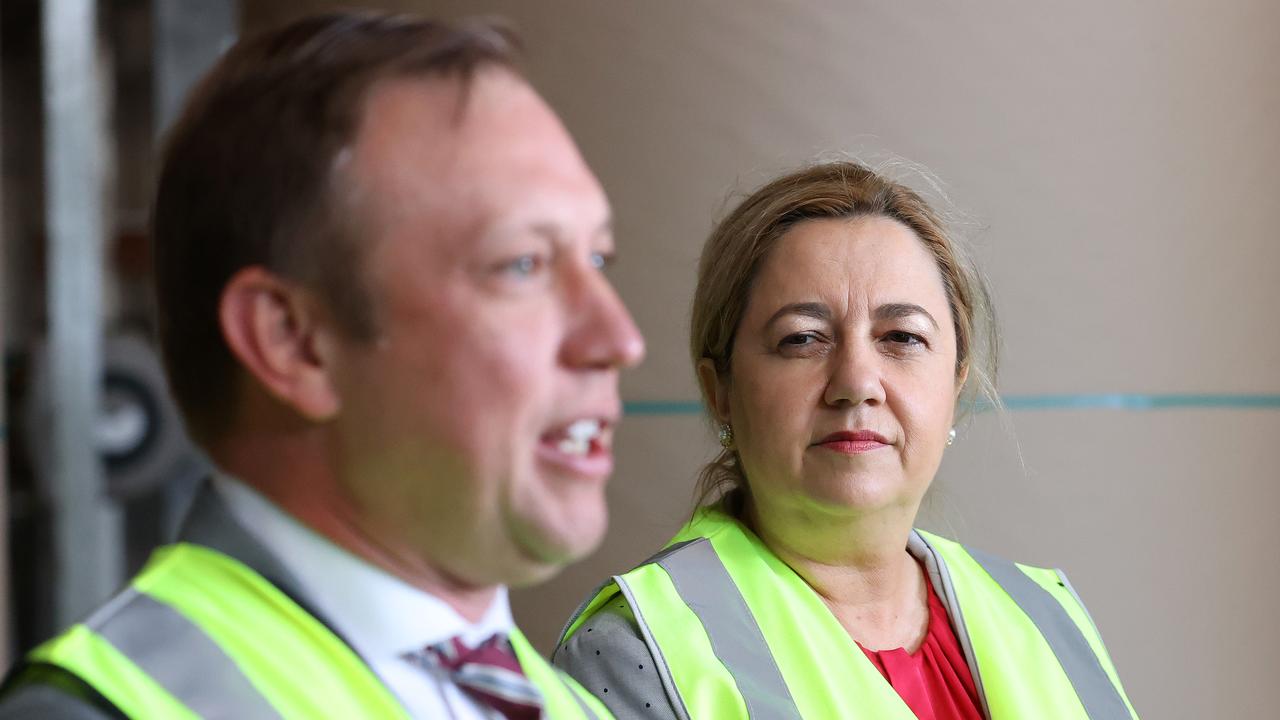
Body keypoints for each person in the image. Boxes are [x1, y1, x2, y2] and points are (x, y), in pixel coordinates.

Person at [0, 11, 644, 719]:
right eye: (522, 265)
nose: (618, 339)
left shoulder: (572, 705)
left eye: (597, 259)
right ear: (293, 341)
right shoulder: (109, 709)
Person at [554, 161, 1137, 719]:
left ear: (956, 384)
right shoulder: (635, 651)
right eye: (803, 339)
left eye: (903, 337)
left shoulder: (1045, 614)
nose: (856, 383)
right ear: (720, 390)